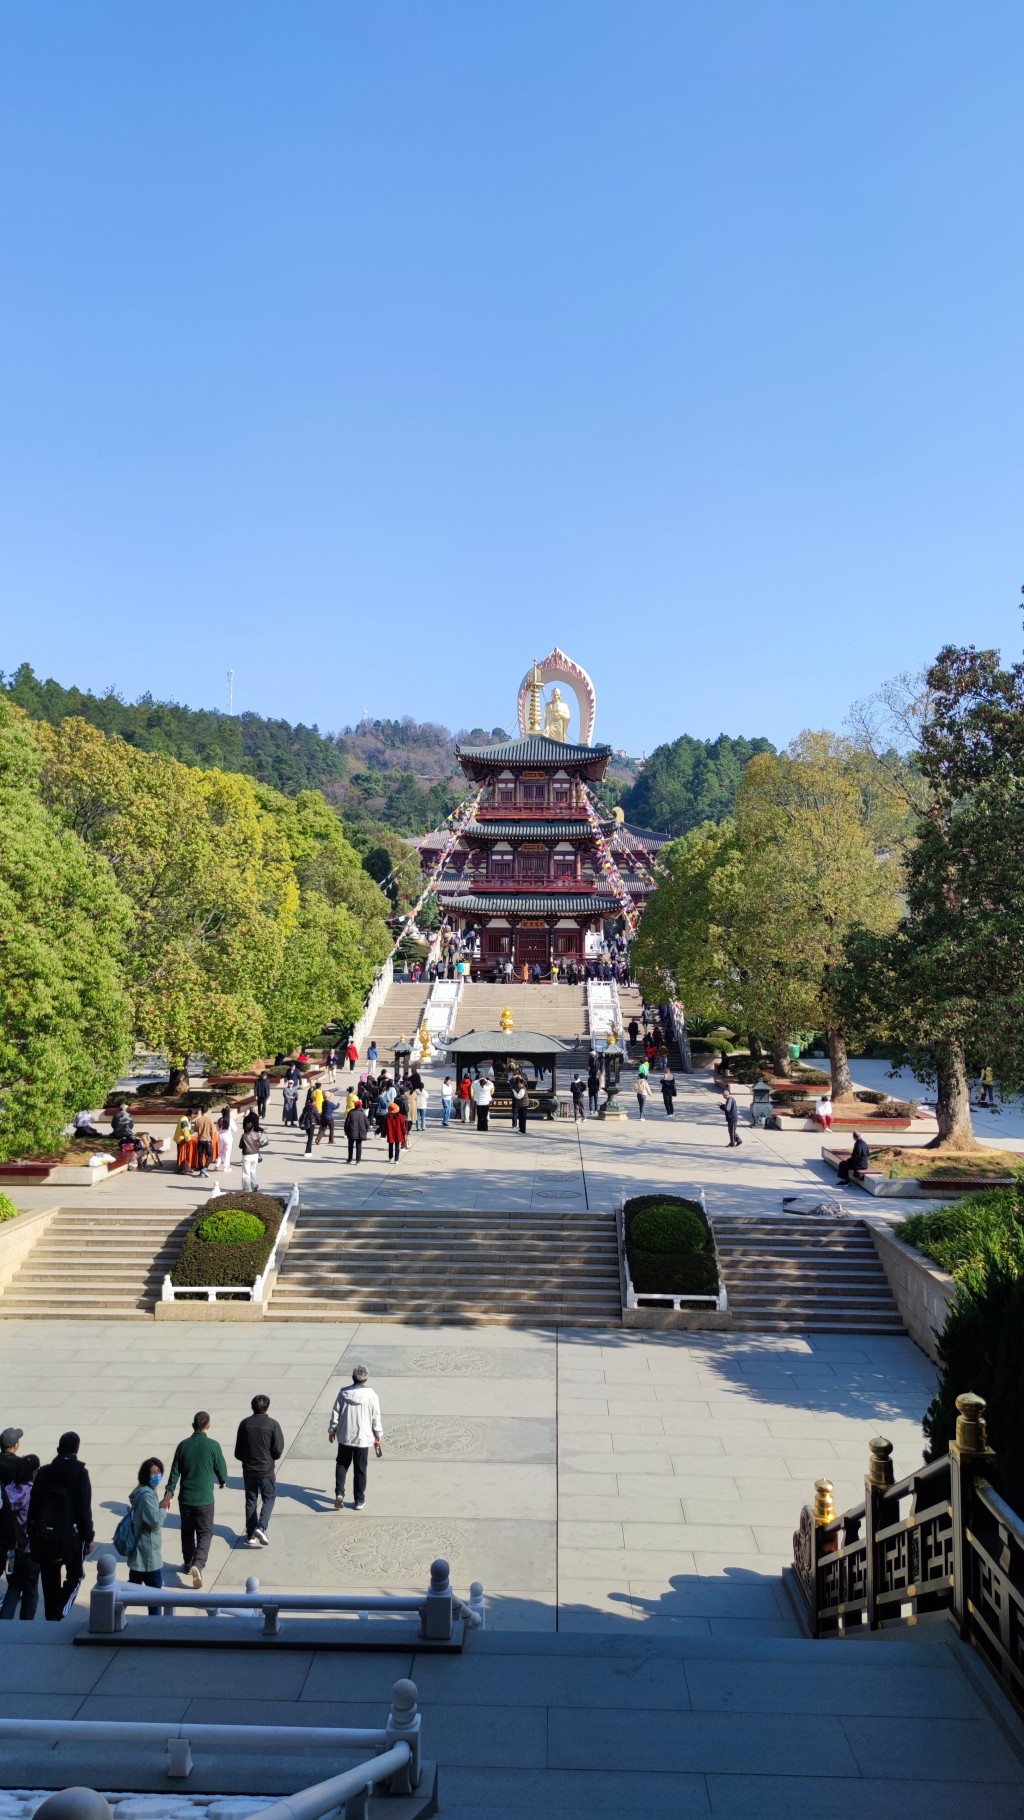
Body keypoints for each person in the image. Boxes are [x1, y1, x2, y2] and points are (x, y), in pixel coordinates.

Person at [28, 1431, 94, 1621]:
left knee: (49, 1580)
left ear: (59, 1448)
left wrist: (32, 1532)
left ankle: (51, 1617)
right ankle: (60, 1610)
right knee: (76, 1575)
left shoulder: (44, 1472)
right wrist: (89, 1536)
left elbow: (34, 1504)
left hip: (45, 1534)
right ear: (76, 1449)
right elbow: (84, 1509)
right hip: (71, 1536)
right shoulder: (80, 1473)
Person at [163, 1411, 228, 1590]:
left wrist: (169, 1493)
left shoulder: (183, 1445)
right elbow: (221, 1467)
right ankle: (198, 1564)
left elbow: (174, 1472)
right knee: (205, 1533)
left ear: (193, 1426)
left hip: (186, 1499)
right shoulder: (213, 1445)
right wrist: (222, 1480)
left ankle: (188, 1563)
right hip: (204, 1499)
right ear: (208, 1426)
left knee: (187, 1531)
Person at [329, 1365, 383, 1512]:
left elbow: (335, 1413)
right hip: (363, 1439)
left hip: (345, 1436)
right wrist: (378, 1434)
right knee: (360, 1469)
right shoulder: (372, 1395)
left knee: (342, 1464)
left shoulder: (343, 1393)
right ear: (366, 1379)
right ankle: (359, 1500)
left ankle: (339, 1493)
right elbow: (376, 1417)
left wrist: (332, 1430)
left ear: (353, 1377)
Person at [234, 1394, 283, 1547]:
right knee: (269, 1498)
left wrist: (247, 1459)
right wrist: (269, 1458)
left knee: (250, 1501)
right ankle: (261, 1527)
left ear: (252, 1406)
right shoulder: (273, 1424)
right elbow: (278, 1450)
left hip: (249, 1470)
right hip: (266, 1470)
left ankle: (250, 1535)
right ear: (267, 1407)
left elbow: (238, 1452)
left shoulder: (244, 1424)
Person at [125, 1457, 167, 1617]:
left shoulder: (144, 1490)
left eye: (158, 1472)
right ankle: (155, 1624)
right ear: (145, 1475)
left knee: (130, 1590)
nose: (157, 1475)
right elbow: (155, 1522)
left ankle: (113, 1614)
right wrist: (163, 1507)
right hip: (148, 1554)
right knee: (155, 1594)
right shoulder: (147, 1496)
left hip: (140, 1554)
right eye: (153, 1473)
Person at [0, 1453, 40, 1621]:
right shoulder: (33, 1493)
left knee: (13, 1587)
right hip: (29, 1550)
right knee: (31, 1591)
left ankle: (5, 1623)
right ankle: (25, 1626)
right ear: (35, 1471)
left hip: (10, 1550)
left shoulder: (7, 1490)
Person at [193, 1105, 217, 1178]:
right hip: (208, 1140)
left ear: (201, 1111)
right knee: (210, 1155)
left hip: (200, 1140)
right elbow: (212, 1131)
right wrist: (212, 1138)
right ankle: (205, 1168)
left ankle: (201, 1171)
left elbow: (195, 1130)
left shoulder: (197, 1120)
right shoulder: (210, 1120)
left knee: (200, 1155)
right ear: (207, 1111)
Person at [239, 1120, 262, 1191]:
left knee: (246, 1172)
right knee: (253, 1170)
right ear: (252, 1128)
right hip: (255, 1155)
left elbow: (240, 1146)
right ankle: (255, 1185)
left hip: (247, 1155)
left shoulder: (244, 1136)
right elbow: (258, 1145)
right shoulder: (257, 1134)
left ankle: (247, 1187)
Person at [345, 1097, 368, 1164]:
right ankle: (358, 1160)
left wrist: (346, 1131)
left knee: (350, 1146)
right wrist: (366, 1130)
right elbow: (367, 1124)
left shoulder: (351, 1112)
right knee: (359, 1146)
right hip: (360, 1132)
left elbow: (347, 1123)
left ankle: (350, 1159)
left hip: (351, 1131)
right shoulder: (363, 1113)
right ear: (361, 1106)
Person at [214, 1105, 237, 1172]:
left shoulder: (219, 1120)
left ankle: (217, 1164)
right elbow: (235, 1129)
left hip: (220, 1136)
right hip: (228, 1136)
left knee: (221, 1152)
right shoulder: (230, 1120)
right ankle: (226, 1167)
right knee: (227, 1152)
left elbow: (217, 1129)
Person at [386, 1098, 408, 1163]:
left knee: (390, 1145)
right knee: (397, 1146)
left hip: (390, 1133)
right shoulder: (400, 1116)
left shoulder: (388, 1116)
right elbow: (403, 1126)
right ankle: (396, 1159)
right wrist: (405, 1133)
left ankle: (390, 1157)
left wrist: (383, 1133)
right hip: (398, 1133)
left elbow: (385, 1126)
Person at [300, 1088, 319, 1155]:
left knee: (309, 1137)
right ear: (313, 1102)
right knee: (310, 1139)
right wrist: (319, 1122)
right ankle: (307, 1152)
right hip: (311, 1124)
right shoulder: (314, 1108)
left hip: (306, 1123)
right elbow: (317, 1116)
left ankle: (309, 1151)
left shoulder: (305, 1107)